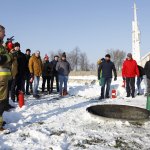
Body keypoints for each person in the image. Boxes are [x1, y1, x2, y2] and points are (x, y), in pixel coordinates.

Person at [0, 25, 13, 131]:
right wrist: (9, 56)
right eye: (3, 32)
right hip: (1, 76)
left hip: (4, 76)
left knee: (3, 100)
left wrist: (9, 54)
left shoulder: (2, 46)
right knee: (1, 100)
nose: (4, 34)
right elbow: (1, 59)